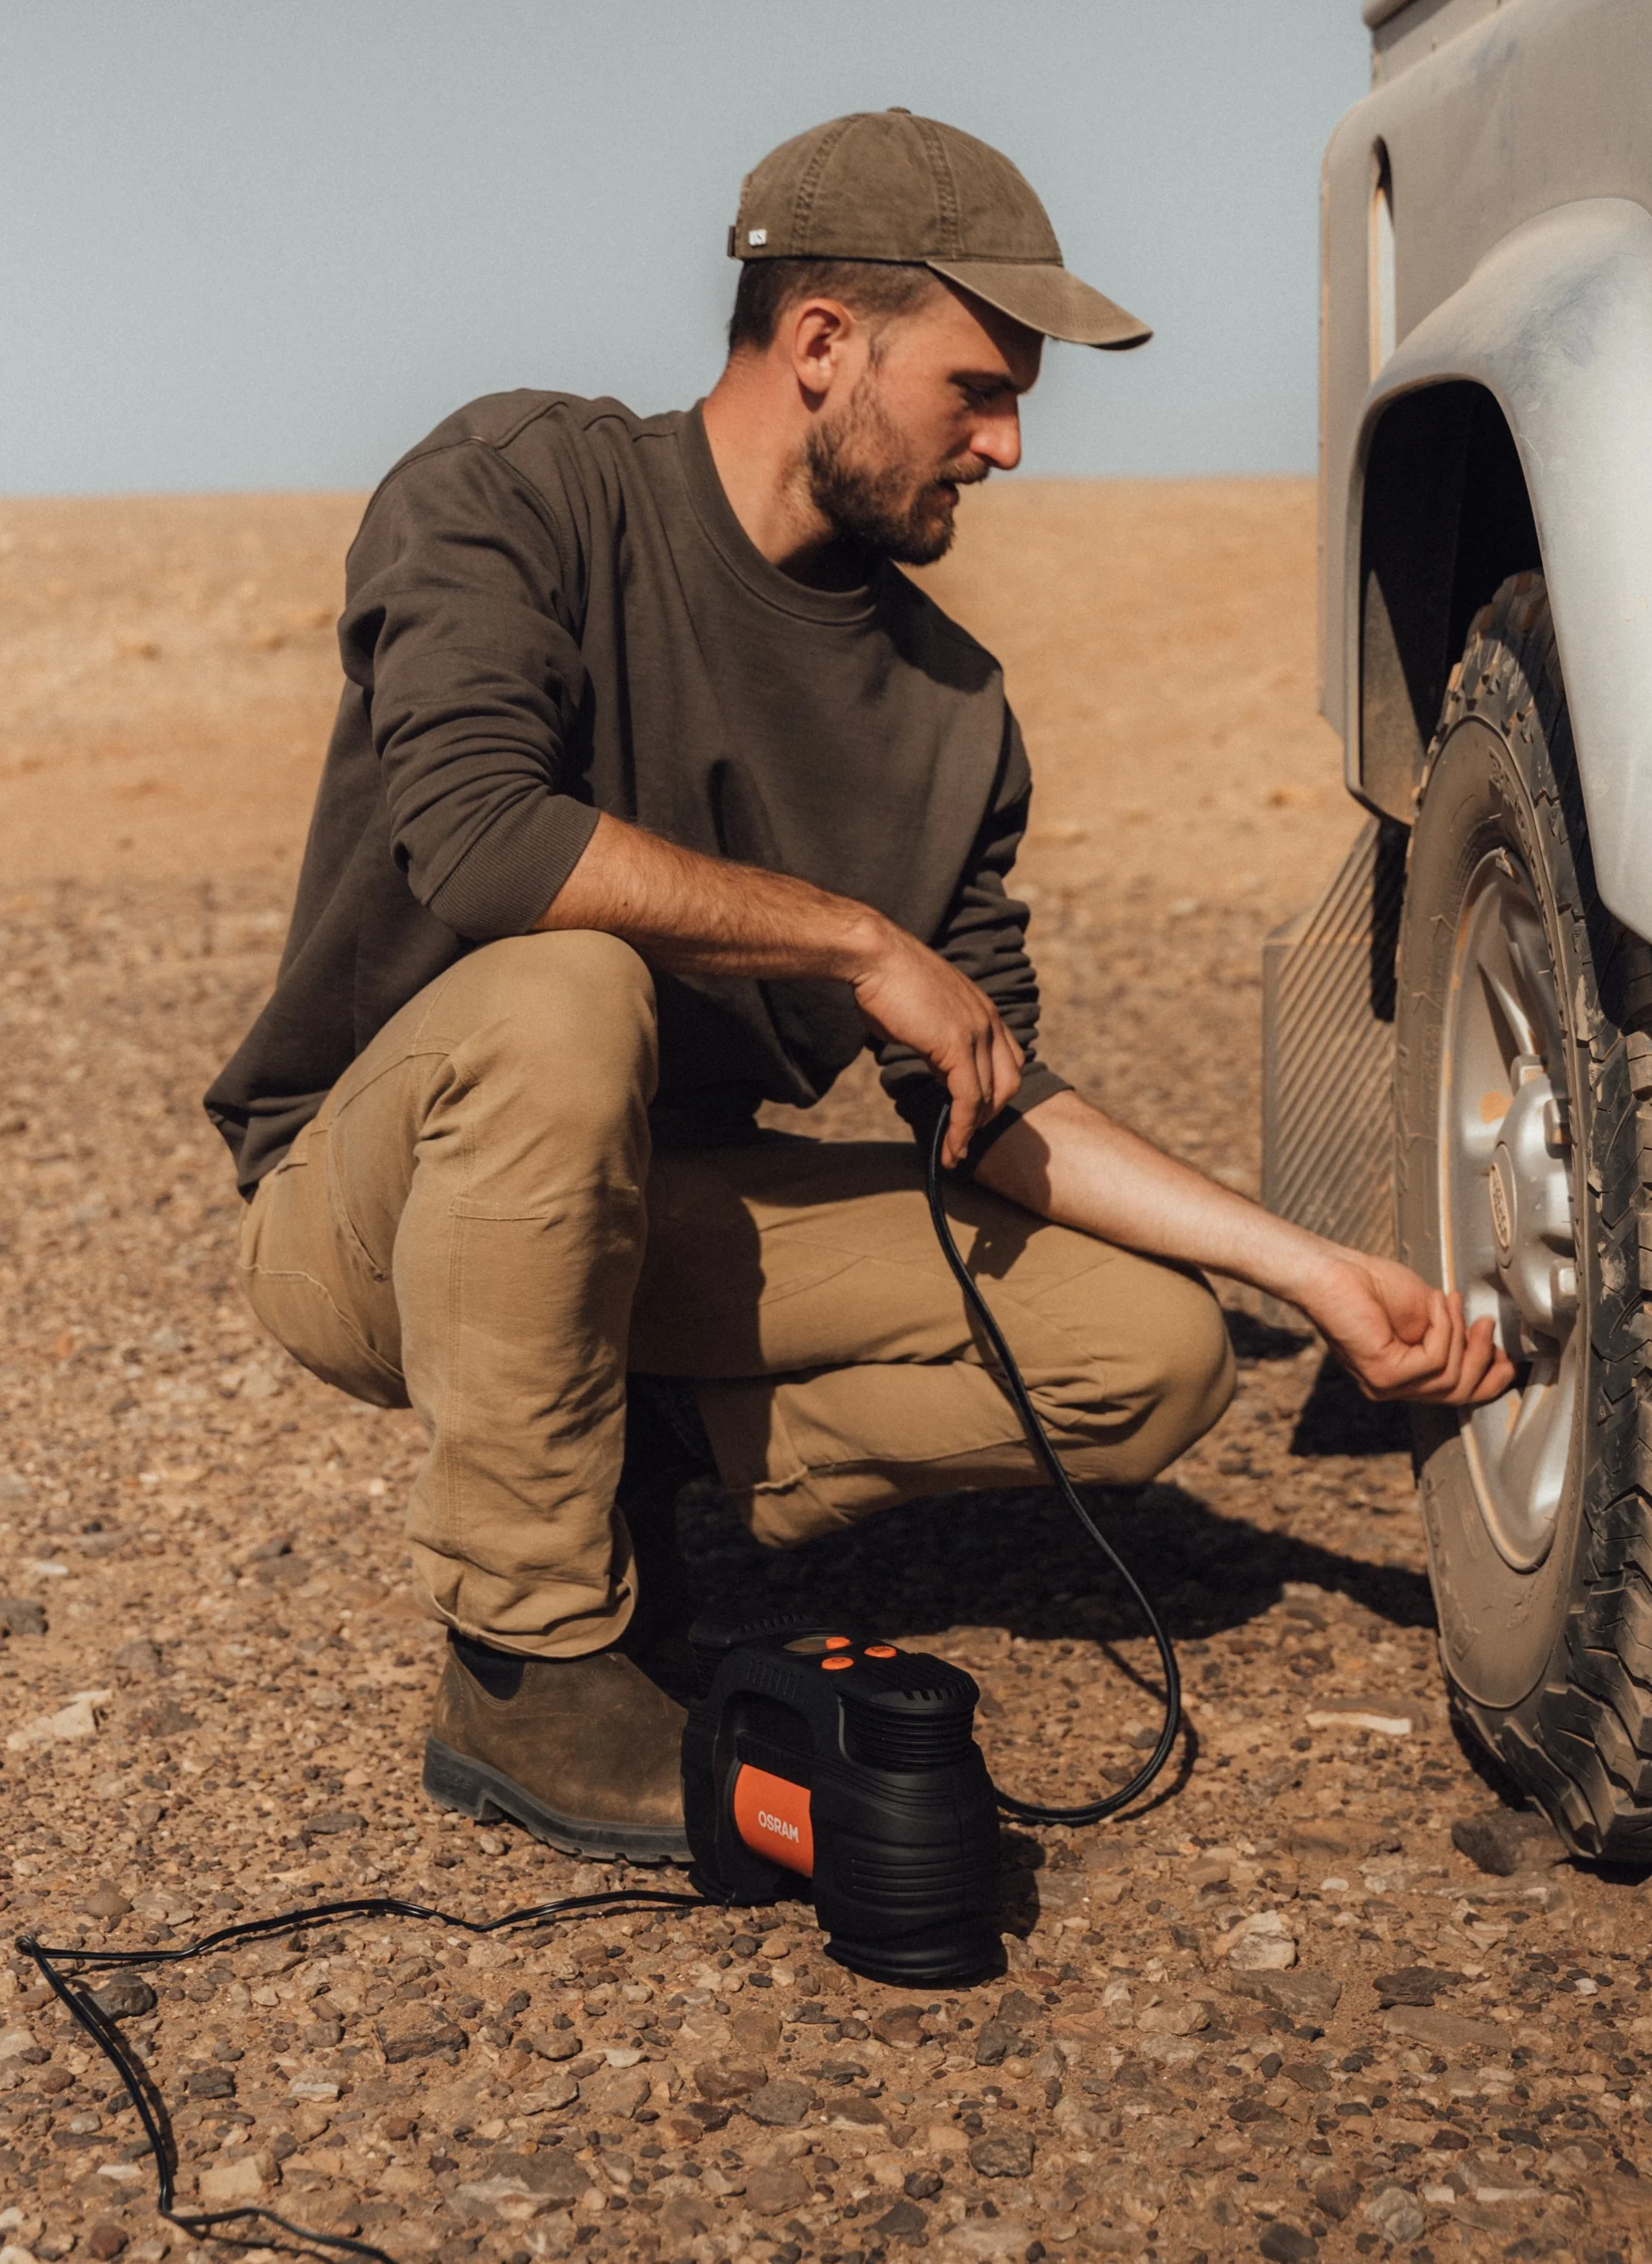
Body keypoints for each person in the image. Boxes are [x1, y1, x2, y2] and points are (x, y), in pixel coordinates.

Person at [207, 108, 1510, 1865]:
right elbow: (483, 840)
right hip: (374, 1208)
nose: (1010, 444)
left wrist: (1312, 1270)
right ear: (821, 344)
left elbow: (991, 1099)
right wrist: (849, 937)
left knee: (1150, 1351)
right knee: (569, 991)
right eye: (977, 386)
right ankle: (526, 1660)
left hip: (638, 1221)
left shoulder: (949, 711)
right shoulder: (517, 485)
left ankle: (622, 1461)